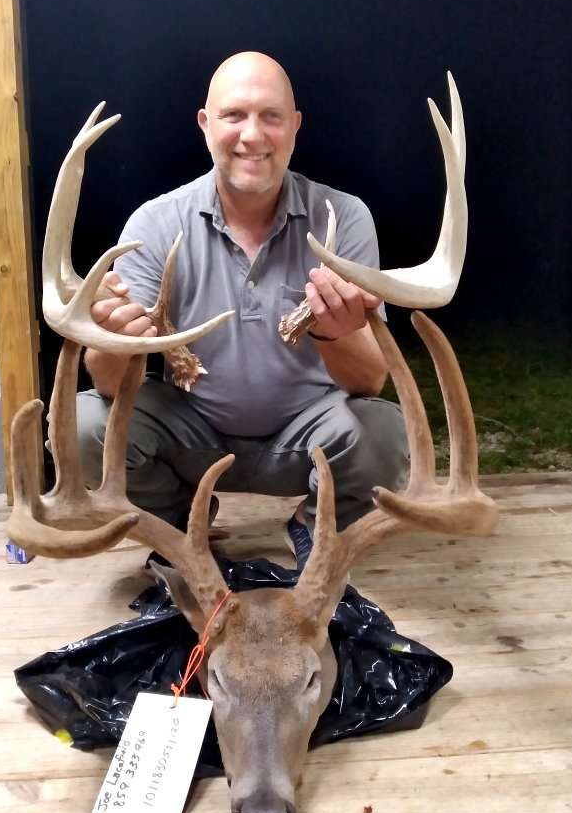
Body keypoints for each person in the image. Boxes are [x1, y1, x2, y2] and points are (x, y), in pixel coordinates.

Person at [77, 51, 408, 568]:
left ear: (295, 127)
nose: (252, 136)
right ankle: (180, 520)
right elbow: (109, 385)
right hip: (193, 435)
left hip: (308, 437)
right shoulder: (155, 223)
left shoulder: (342, 218)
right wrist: (111, 341)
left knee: (384, 433)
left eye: (270, 116)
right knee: (83, 425)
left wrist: (337, 334)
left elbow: (369, 384)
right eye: (234, 116)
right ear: (206, 125)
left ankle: (314, 525)